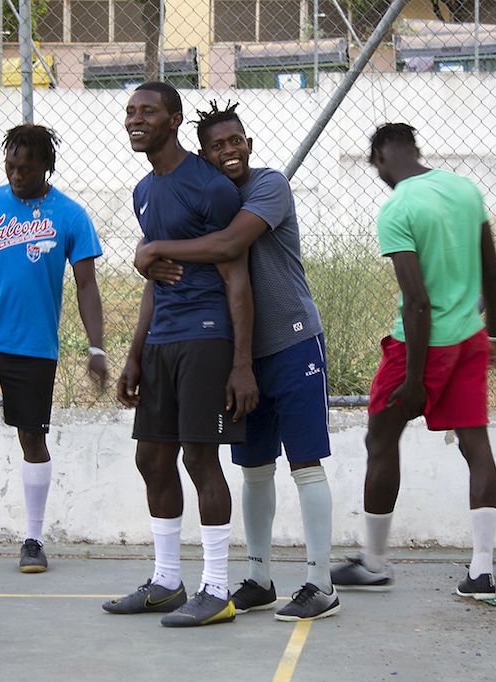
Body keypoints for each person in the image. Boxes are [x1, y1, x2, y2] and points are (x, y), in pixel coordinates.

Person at [133, 101, 338, 621]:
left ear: (249, 143)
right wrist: (151, 254)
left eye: (236, 141)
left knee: (305, 463)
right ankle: (259, 578)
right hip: (239, 351)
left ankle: (321, 583)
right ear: (203, 154)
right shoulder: (203, 192)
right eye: (218, 145)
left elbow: (229, 244)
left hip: (291, 341)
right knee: (254, 467)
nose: (230, 151)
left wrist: (151, 248)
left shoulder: (269, 185)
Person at [102, 82, 258, 627]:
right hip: (162, 342)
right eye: (130, 112)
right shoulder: (144, 190)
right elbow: (153, 277)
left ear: (174, 120)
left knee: (200, 459)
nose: (134, 120)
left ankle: (216, 589)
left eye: (147, 111)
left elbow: (237, 276)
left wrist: (241, 363)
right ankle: (167, 583)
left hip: (206, 338)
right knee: (152, 458)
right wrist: (134, 353)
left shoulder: (210, 186)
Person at [329, 123, 496, 599]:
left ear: (380, 158)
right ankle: (482, 572)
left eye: (377, 169)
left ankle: (373, 563)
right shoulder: (465, 190)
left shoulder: (398, 207)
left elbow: (418, 301)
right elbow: (492, 273)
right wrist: (493, 332)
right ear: (413, 149)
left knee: (381, 439)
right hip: (469, 336)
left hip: (420, 345)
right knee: (475, 445)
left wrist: (413, 380)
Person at [0, 123, 107, 573]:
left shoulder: (70, 215)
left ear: (47, 167)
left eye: (26, 169)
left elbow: (86, 286)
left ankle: (33, 539)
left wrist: (97, 348)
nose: (15, 175)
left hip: (33, 349)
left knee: (32, 439)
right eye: (10, 166)